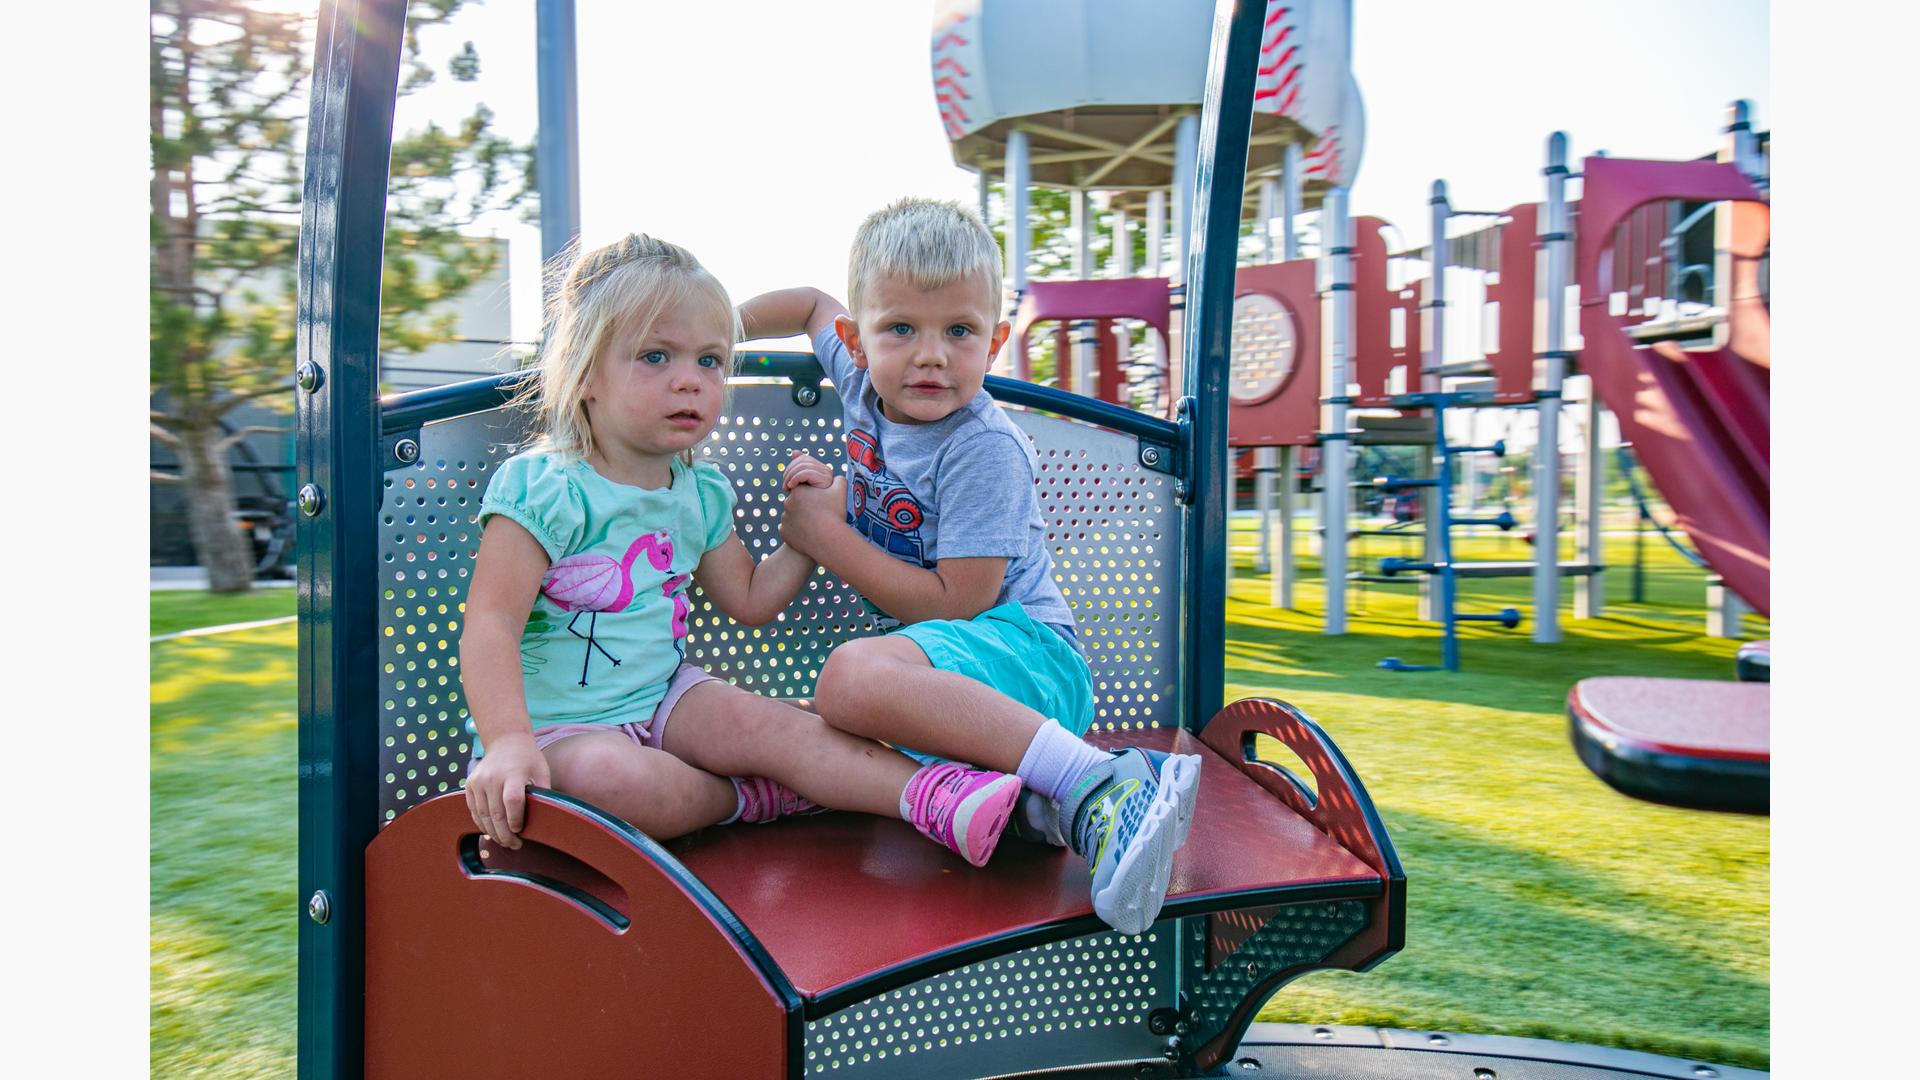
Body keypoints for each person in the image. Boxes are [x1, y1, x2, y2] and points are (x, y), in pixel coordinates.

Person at [460, 233, 1024, 867]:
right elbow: (491, 623)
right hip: (556, 733)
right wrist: (509, 741)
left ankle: (939, 799)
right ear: (586, 373)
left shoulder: (697, 491)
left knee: (768, 724)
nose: (690, 382)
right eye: (655, 357)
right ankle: (752, 797)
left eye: (709, 360)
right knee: (609, 780)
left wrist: (807, 534)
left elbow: (750, 599)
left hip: (667, 699)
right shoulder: (546, 486)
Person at [737, 198, 1202, 934]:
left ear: (996, 343)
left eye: (959, 331)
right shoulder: (860, 383)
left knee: (849, 680)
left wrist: (826, 537)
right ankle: (1062, 816)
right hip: (954, 696)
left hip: (1030, 664)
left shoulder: (980, 446)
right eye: (901, 329)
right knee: (784, 723)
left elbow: (960, 601)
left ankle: (1102, 781)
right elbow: (809, 303)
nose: (931, 355)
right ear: (857, 342)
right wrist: (716, 336)